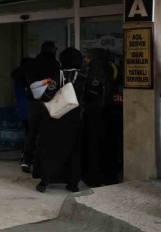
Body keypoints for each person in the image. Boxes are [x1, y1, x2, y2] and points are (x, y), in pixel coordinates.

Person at [34, 47, 86, 193]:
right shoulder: (82, 76)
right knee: (73, 150)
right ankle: (73, 182)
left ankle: (45, 181)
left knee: (50, 148)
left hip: (55, 118)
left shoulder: (58, 75)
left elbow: (47, 95)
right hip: (74, 117)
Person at [20, 42, 61, 173]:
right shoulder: (54, 64)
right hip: (49, 101)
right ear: (52, 51)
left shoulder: (32, 63)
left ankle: (26, 160)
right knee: (48, 132)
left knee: (32, 132)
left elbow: (18, 74)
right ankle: (43, 162)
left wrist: (28, 88)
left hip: (33, 101)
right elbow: (55, 83)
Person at [82, 48, 118, 187]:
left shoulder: (94, 74)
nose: (85, 59)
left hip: (94, 116)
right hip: (109, 115)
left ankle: (93, 178)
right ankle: (108, 177)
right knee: (108, 148)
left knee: (94, 148)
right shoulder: (110, 71)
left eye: (88, 57)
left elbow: (91, 96)